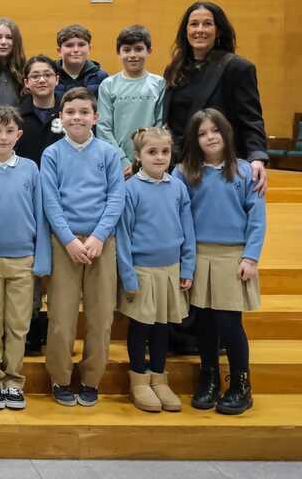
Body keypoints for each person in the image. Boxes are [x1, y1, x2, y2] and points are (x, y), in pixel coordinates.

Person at [174, 109, 266, 416]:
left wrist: (250, 257)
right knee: (203, 323)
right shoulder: (184, 172)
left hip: (232, 256)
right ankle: (209, 377)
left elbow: (257, 218)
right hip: (198, 254)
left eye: (215, 131)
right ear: (194, 139)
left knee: (229, 323)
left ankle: (241, 383)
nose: (210, 137)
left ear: (226, 133)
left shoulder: (245, 171)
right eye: (202, 133)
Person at [40, 87, 124, 408]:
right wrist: (69, 240)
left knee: (101, 318)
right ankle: (60, 378)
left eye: (84, 112)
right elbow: (50, 201)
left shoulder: (108, 153)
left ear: (95, 117)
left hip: (102, 242)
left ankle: (91, 379)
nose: (77, 117)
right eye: (71, 112)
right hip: (65, 243)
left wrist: (99, 236)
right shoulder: (52, 154)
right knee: (61, 318)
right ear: (60, 117)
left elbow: (116, 198)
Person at [0, 106, 50, 412]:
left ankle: (14, 380)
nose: (3, 137)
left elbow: (41, 214)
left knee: (18, 324)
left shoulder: (30, 169)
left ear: (19, 135)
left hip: (24, 260)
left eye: (9, 131)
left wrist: (41, 259)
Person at [116, 127, 195, 413]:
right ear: (138, 156)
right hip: (142, 270)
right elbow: (123, 236)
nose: (160, 157)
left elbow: (188, 229)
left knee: (163, 327)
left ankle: (159, 379)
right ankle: (139, 380)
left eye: (165, 151)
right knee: (141, 327)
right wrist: (127, 275)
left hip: (171, 269)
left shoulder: (178, 187)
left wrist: (188, 266)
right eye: (152, 152)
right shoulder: (130, 190)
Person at [163, 1, 269, 193]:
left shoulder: (237, 68)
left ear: (218, 31)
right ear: (186, 31)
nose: (200, 30)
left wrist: (257, 157)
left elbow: (251, 118)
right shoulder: (174, 69)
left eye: (207, 24)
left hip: (218, 167)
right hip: (180, 167)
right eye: (194, 24)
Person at [13, 54, 64, 355]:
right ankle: (30, 328)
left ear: (57, 79)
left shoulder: (69, 113)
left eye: (47, 74)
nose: (42, 79)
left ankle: (56, 330)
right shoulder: (17, 117)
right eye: (35, 75)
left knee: (59, 272)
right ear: (26, 82)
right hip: (27, 203)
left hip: (64, 202)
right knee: (30, 268)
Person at [97, 25, 165, 177]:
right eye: (127, 50)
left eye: (139, 49)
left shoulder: (159, 84)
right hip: (117, 165)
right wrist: (122, 161)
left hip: (150, 162)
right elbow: (103, 128)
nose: (133, 55)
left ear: (149, 51)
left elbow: (160, 125)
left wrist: (143, 160)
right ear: (118, 52)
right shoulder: (108, 85)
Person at [53, 24, 108, 101]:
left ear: (89, 49)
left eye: (81, 45)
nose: (76, 50)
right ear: (59, 51)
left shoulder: (101, 77)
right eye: (69, 45)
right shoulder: (50, 76)